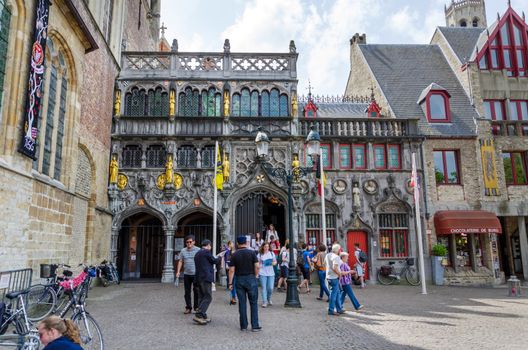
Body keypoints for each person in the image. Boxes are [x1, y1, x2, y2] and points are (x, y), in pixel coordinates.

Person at [228, 236, 261, 332]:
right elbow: (257, 266)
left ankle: (243, 326)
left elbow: (231, 270)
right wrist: (256, 275)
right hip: (251, 278)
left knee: (242, 303)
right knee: (253, 303)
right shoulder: (252, 253)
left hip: (239, 280)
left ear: (238, 243)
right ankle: (255, 326)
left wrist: (230, 283)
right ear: (246, 243)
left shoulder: (234, 255)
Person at [193, 239, 221, 325]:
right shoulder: (206, 252)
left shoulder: (197, 253)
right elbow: (214, 261)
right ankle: (199, 314)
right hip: (205, 277)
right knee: (208, 296)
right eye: (210, 246)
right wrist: (220, 257)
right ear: (208, 245)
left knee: (201, 296)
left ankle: (203, 315)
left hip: (198, 277)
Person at [175, 235, 201, 314]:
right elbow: (180, 261)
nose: (188, 243)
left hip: (195, 274)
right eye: (187, 242)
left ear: (194, 242)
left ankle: (196, 307)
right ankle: (188, 307)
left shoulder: (198, 250)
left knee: (196, 291)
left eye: (190, 242)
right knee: (187, 292)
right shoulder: (183, 250)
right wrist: (178, 271)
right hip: (186, 274)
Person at [326, 244, 344, 316]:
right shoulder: (336, 257)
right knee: (333, 294)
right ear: (338, 250)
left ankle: (339, 309)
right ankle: (331, 310)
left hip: (329, 276)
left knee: (336, 293)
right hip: (334, 277)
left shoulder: (328, 255)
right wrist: (339, 274)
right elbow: (334, 267)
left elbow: (326, 264)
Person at [257, 242, 276, 307]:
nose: (266, 248)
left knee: (270, 288)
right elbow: (257, 264)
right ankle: (264, 302)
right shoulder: (259, 255)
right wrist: (259, 266)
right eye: (265, 247)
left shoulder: (271, 253)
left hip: (271, 273)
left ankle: (269, 298)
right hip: (262, 273)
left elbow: (275, 262)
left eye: (267, 247)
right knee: (263, 287)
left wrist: (272, 263)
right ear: (263, 247)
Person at [224, 241, 237, 305]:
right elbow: (224, 258)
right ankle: (233, 297)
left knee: (234, 284)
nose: (233, 245)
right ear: (229, 244)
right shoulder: (226, 250)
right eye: (232, 243)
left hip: (235, 269)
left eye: (233, 243)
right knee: (232, 283)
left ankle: (234, 297)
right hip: (229, 267)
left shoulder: (235, 251)